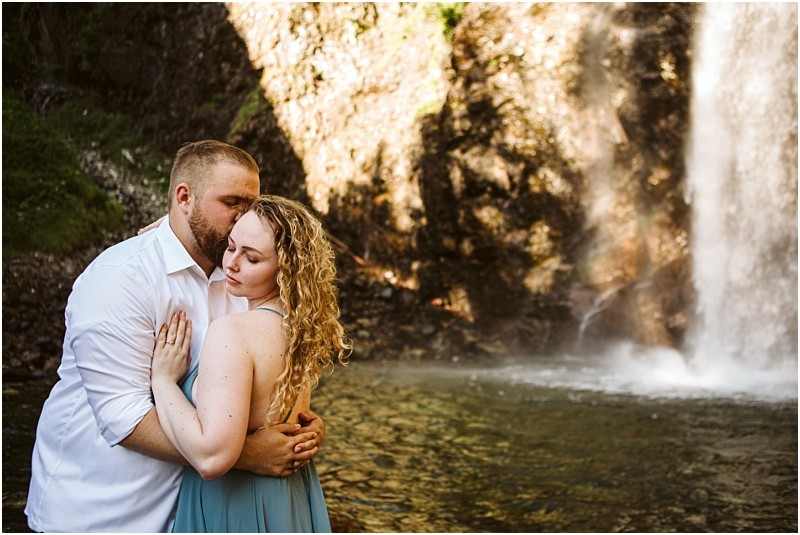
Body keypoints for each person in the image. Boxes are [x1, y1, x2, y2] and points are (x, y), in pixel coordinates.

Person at [25, 141, 326, 533]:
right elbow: (122, 416)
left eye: (251, 204)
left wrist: (298, 429)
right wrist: (248, 454)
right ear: (184, 197)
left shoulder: (242, 278)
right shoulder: (121, 277)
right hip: (101, 513)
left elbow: (255, 384)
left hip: (193, 513)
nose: (242, 218)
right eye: (231, 201)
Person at [151, 195, 351, 532]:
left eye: (252, 258)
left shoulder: (233, 332)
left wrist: (164, 381)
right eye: (230, 247)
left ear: (286, 269)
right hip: (289, 497)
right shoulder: (301, 329)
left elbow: (211, 458)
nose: (231, 263)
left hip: (236, 503)